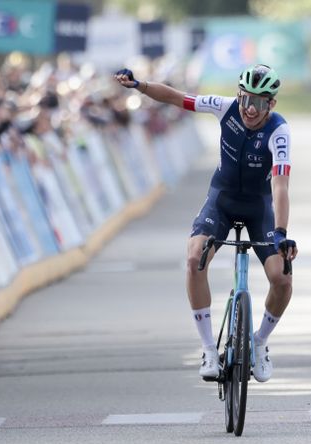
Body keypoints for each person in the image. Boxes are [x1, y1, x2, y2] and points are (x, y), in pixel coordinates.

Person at [115, 64, 297, 382]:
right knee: (193, 257)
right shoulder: (224, 108)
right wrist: (140, 85)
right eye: (245, 99)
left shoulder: (279, 131)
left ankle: (259, 342)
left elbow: (280, 187)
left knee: (281, 277)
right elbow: (176, 98)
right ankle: (208, 349)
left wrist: (281, 233)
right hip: (222, 201)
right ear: (237, 96)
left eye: (259, 102)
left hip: (259, 208)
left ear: (272, 104)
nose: (250, 109)